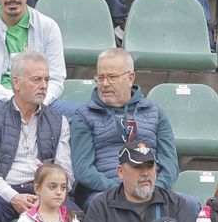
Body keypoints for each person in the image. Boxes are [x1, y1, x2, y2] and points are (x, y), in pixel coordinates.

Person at [0, 51, 73, 222]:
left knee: (76, 214)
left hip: (45, 189)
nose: (43, 86)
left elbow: (66, 172)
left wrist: (47, 192)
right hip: (4, 190)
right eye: (36, 80)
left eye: (46, 79)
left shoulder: (59, 122)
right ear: (16, 83)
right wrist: (13, 196)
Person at [69, 50, 178, 207]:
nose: (105, 83)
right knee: (98, 204)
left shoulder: (155, 111)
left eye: (112, 77)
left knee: (190, 204)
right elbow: (83, 169)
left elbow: (170, 163)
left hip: (152, 191)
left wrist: (155, 191)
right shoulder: (84, 115)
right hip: (107, 193)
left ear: (130, 78)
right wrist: (121, 192)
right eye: (100, 78)